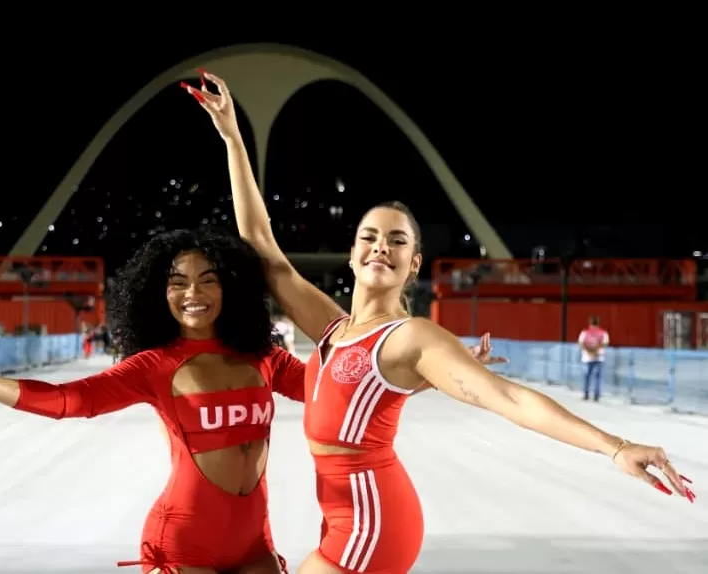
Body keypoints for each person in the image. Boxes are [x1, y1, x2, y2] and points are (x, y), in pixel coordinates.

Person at [181, 71, 695, 574]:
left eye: (397, 240)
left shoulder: (411, 336)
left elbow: (511, 399)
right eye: (369, 237)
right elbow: (263, 249)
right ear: (353, 253)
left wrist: (615, 447)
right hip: (339, 515)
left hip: (372, 522)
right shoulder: (334, 329)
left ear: (414, 264)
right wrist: (233, 138)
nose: (381, 246)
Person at [0, 227, 307, 574]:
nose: (192, 293)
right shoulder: (154, 366)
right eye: (177, 283)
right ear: (159, 293)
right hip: (186, 541)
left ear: (230, 286)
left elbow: (329, 391)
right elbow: (68, 400)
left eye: (208, 280)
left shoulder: (265, 357)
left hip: (254, 542)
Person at [578, 315, 610, 401]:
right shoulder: (603, 333)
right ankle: (596, 395)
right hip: (598, 357)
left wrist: (589, 352)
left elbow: (581, 343)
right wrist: (595, 351)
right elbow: (604, 343)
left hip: (587, 358)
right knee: (597, 378)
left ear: (590, 322)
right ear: (598, 323)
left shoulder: (585, 332)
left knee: (586, 377)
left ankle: (586, 394)